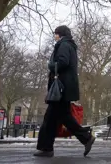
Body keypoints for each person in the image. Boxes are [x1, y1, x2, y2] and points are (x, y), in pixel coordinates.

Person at [35, 25, 94, 158]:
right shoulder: (68, 45)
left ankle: (85, 138)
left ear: (59, 34)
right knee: (53, 118)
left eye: (55, 34)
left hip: (60, 90)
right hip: (65, 88)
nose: (54, 36)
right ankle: (47, 147)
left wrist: (50, 65)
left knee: (59, 117)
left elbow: (62, 62)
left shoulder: (63, 45)